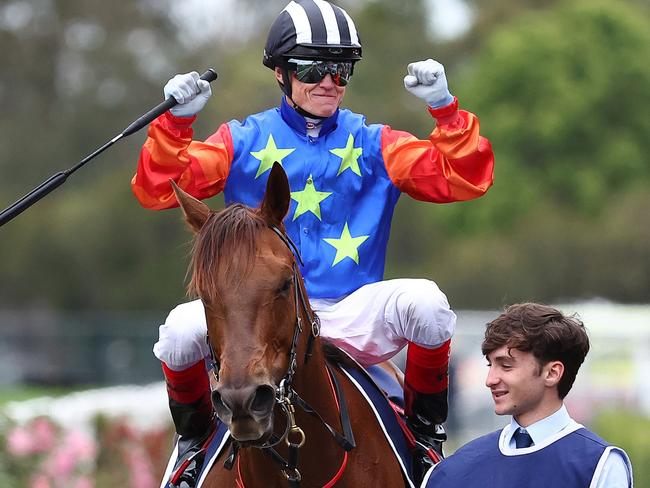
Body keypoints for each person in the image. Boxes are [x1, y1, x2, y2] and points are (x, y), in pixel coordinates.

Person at [132, 1, 494, 485]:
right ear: (281, 73)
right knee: (177, 333)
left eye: (341, 70)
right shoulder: (239, 140)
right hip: (259, 312)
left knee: (428, 303)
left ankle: (427, 439)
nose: (329, 81)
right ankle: (193, 449)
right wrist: (175, 124)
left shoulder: (375, 143)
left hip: (353, 309)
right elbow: (159, 190)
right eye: (313, 68)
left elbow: (465, 178)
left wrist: (445, 110)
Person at [422, 302, 634, 487]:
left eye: (505, 366)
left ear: (552, 373)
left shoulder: (599, 465)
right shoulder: (453, 469)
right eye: (490, 365)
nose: (490, 380)